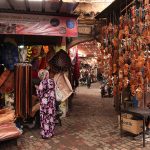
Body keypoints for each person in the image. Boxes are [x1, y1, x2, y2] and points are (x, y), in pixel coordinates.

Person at [35, 69, 56, 139]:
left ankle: (46, 134)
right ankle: (51, 133)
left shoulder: (43, 82)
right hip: (51, 103)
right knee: (51, 118)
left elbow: (40, 95)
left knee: (45, 119)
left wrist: (37, 89)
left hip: (45, 104)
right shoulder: (52, 81)